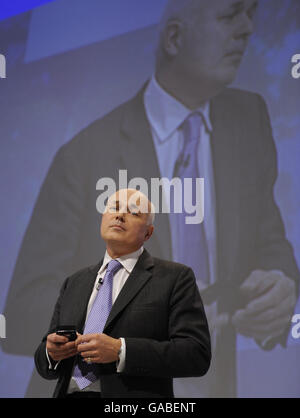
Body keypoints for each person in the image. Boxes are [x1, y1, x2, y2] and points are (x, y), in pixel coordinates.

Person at [2, 0, 299, 397]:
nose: (247, 29)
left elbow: (270, 242)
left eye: (251, 14)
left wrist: (282, 286)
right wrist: (138, 337)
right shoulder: (84, 153)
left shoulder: (250, 120)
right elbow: (23, 314)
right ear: (174, 37)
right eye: (230, 15)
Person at [34, 189, 211, 398]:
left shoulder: (174, 278)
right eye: (114, 208)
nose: (119, 215)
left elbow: (195, 354)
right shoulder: (75, 282)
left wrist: (121, 351)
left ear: (148, 233)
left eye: (134, 213)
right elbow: (43, 357)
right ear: (103, 218)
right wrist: (51, 353)